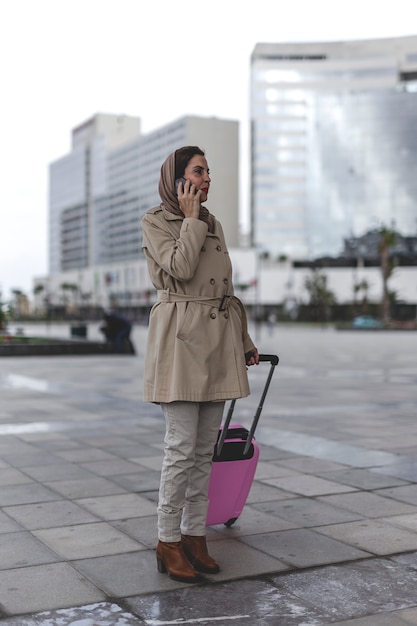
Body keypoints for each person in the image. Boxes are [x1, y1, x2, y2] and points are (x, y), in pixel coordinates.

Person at [141, 146, 259, 583]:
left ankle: (194, 536)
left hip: (216, 342)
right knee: (181, 449)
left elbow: (223, 289)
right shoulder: (156, 221)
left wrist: (244, 340)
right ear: (176, 179)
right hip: (180, 343)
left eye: (209, 170)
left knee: (204, 452)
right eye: (198, 170)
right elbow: (181, 268)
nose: (207, 177)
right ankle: (167, 540)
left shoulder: (215, 224)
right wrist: (190, 220)